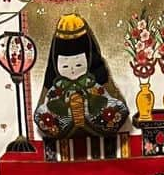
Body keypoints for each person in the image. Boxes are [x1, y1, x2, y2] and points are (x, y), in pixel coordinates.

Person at [34, 12, 130, 140]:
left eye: (79, 65)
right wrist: (69, 112)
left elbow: (118, 110)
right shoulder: (56, 89)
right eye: (65, 66)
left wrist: (85, 109)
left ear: (88, 61)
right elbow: (42, 116)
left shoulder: (94, 86)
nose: (73, 70)